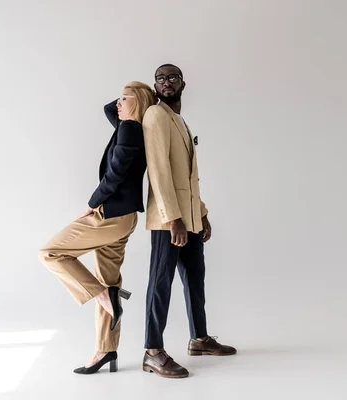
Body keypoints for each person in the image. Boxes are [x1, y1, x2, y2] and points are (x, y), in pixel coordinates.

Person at [39, 81, 155, 374]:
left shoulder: (130, 129)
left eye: (124, 98)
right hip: (124, 218)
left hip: (110, 216)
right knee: (109, 279)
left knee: (51, 253)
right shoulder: (128, 126)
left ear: (138, 103)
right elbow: (109, 109)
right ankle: (106, 350)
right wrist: (128, 95)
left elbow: (115, 174)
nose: (117, 102)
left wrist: (92, 203)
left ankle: (104, 296)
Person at [141, 64, 236, 379]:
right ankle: (153, 352)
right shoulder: (155, 116)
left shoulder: (179, 120)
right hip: (170, 221)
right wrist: (174, 220)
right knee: (161, 283)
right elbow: (159, 171)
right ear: (154, 85)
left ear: (183, 83)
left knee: (196, 280)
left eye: (172, 77)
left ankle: (199, 339)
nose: (166, 82)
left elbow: (187, 178)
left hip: (190, 217)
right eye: (160, 78)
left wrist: (203, 213)